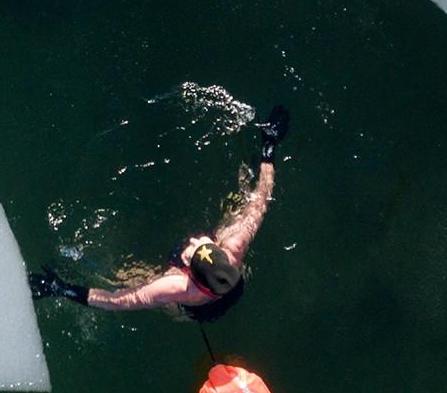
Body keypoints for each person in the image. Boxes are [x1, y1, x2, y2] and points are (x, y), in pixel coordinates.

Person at [30, 105, 287, 321]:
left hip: (197, 308)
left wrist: (60, 288)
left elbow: (118, 301)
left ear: (189, 272)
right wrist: (269, 147)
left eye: (194, 247)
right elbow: (261, 198)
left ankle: (177, 311)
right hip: (229, 286)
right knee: (242, 208)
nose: (195, 240)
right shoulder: (235, 245)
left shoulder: (177, 286)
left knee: (126, 280)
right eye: (202, 243)